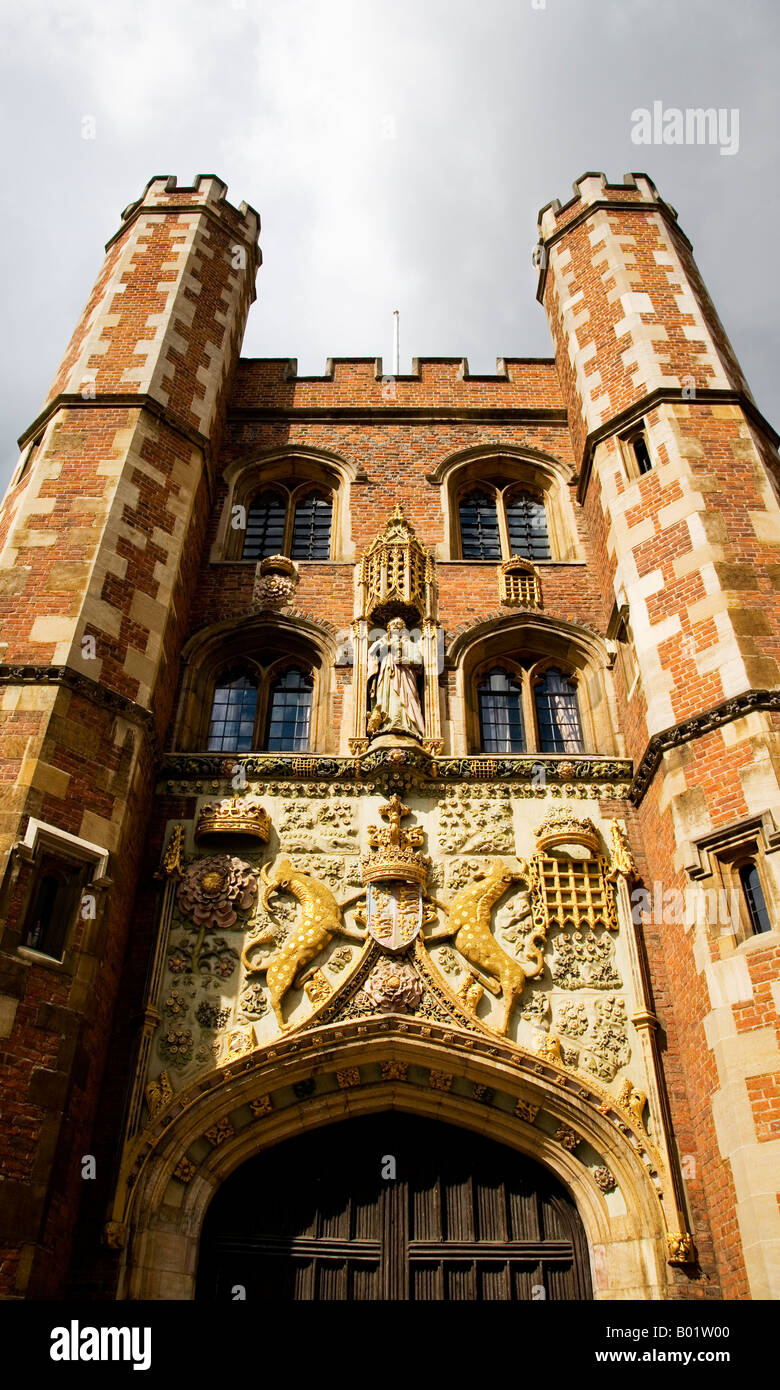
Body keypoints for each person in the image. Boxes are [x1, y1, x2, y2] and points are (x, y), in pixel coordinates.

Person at [366, 617, 425, 739]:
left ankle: (407, 725)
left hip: (405, 675)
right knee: (386, 695)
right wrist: (385, 646)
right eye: (393, 625)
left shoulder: (410, 644)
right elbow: (371, 652)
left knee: (407, 697)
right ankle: (385, 725)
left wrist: (408, 661)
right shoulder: (383, 642)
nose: (396, 627)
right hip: (386, 673)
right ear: (389, 629)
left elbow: (419, 660)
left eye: (399, 625)